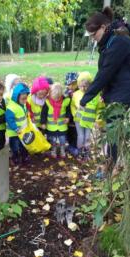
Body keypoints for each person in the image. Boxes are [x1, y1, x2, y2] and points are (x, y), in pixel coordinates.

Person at [80, 7, 130, 167]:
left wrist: (85, 98)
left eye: (94, 35)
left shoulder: (119, 40)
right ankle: (112, 165)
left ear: (103, 27)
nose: (93, 39)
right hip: (115, 92)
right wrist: (104, 92)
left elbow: (105, 73)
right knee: (111, 132)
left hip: (122, 95)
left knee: (114, 132)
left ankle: (114, 168)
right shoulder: (109, 40)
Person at [73, 72, 100, 160]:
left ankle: (87, 153)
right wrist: (74, 114)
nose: (83, 88)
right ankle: (80, 152)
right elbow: (72, 106)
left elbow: (99, 109)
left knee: (87, 137)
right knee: (80, 136)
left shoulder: (95, 95)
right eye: (81, 86)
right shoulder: (76, 94)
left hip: (89, 120)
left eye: (86, 86)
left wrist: (98, 120)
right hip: (79, 120)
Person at [41, 83, 70, 159]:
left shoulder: (66, 101)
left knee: (62, 139)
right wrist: (43, 122)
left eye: (58, 98)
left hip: (62, 126)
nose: (56, 99)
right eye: (54, 98)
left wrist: (68, 118)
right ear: (50, 95)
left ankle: (62, 149)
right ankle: (53, 150)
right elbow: (43, 113)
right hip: (51, 126)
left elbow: (68, 111)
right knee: (52, 140)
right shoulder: (47, 103)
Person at [6, 82, 30, 165]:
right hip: (14, 133)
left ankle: (24, 157)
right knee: (15, 147)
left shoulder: (22, 104)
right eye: (23, 99)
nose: (25, 100)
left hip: (22, 131)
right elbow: (10, 120)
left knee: (24, 145)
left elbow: (24, 115)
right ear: (16, 97)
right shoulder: (11, 107)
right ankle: (14, 158)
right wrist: (16, 128)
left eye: (26, 98)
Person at [64, 72, 79, 156]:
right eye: (69, 84)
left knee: (75, 132)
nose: (71, 86)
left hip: (76, 116)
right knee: (69, 131)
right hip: (68, 115)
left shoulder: (79, 92)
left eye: (73, 84)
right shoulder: (67, 93)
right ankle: (70, 145)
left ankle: (74, 146)